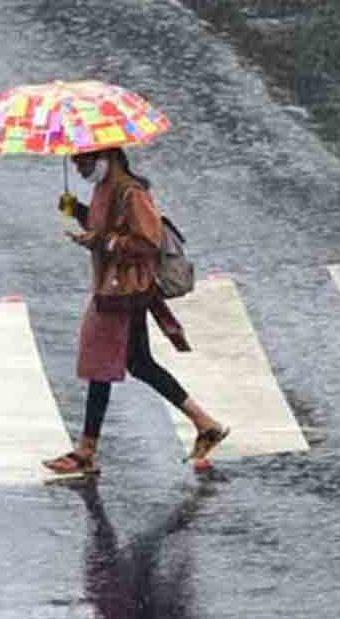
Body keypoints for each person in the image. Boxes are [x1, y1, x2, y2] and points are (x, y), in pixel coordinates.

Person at [43, 146, 229, 475]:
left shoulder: (132, 193)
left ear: (108, 158)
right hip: (114, 288)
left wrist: (105, 243)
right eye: (76, 163)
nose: (80, 169)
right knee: (136, 362)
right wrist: (77, 211)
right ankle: (205, 423)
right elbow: (106, 226)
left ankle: (86, 450)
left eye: (85, 162)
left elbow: (147, 241)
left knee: (104, 363)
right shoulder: (105, 189)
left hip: (125, 290)